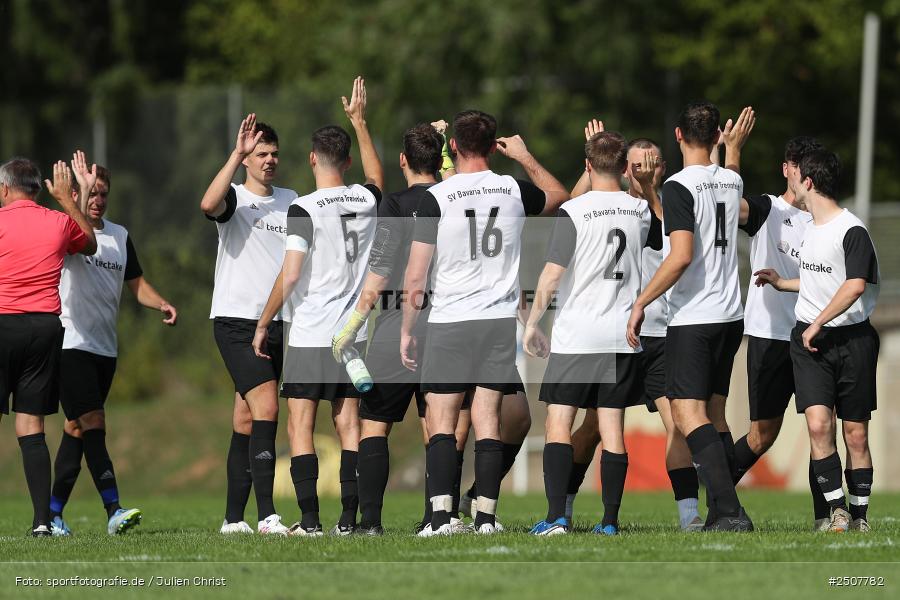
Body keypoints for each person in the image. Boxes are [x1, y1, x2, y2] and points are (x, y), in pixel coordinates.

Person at [401, 110, 569, 536]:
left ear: (452, 147)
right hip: (497, 321)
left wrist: (406, 329)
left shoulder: (436, 197)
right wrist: (525, 157)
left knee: (442, 418)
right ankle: (486, 518)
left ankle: (440, 518)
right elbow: (559, 195)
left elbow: (417, 275)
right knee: (488, 418)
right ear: (494, 146)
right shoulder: (513, 188)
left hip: (452, 319)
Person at [254, 76, 383, 536]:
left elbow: (290, 275)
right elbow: (376, 178)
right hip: (353, 331)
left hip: (310, 332)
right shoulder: (366, 199)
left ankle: (309, 520)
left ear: (312, 159)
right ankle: (349, 519)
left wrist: (264, 321)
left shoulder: (304, 208)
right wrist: (361, 123)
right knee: (349, 423)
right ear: (345, 160)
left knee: (300, 426)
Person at [563, 121, 704, 531]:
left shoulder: (665, 203)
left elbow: (666, 238)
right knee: (592, 428)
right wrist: (591, 154)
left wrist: (652, 190)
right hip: (615, 333)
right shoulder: (616, 205)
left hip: (658, 334)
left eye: (654, 164)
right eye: (638, 165)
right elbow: (570, 207)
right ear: (624, 168)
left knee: (677, 422)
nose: (646, 171)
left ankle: (689, 516)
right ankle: (565, 507)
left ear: (663, 166)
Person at [524, 131, 662, 536]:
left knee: (558, 424)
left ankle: (557, 518)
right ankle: (609, 522)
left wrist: (532, 324)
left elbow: (551, 277)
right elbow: (660, 236)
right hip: (622, 336)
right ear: (624, 169)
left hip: (578, 335)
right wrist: (649, 188)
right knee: (612, 430)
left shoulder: (574, 211)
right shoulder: (639, 211)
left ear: (587, 166)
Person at [626, 101, 753, 532]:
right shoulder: (732, 182)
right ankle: (722, 510)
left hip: (694, 317)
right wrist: (734, 149)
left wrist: (641, 301)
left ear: (677, 136)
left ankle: (730, 510)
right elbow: (729, 176)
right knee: (714, 416)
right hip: (731, 316)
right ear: (717, 136)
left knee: (685, 413)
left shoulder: (679, 187)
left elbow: (680, 256)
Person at [49, 151, 177, 536]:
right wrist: (73, 200)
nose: (98, 198)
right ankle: (114, 510)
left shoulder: (119, 236)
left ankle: (51, 515)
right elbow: (73, 238)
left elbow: (137, 286)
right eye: (91, 191)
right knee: (93, 423)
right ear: (77, 192)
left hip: (106, 351)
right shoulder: (67, 231)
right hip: (71, 345)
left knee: (76, 430)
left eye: (103, 192)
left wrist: (162, 302)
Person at [754, 149, 879, 533]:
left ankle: (860, 516)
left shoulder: (851, 229)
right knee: (819, 426)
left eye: (795, 176)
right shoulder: (808, 228)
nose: (789, 179)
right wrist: (782, 283)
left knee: (854, 433)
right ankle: (837, 511)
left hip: (852, 341)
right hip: (809, 343)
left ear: (808, 182)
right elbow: (818, 281)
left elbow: (854, 286)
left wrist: (817, 323)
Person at [723, 123, 834, 529]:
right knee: (763, 434)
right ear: (787, 168)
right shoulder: (769, 209)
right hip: (770, 338)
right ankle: (719, 492)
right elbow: (728, 208)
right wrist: (732, 152)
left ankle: (826, 517)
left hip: (813, 336)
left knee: (822, 426)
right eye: (799, 166)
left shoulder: (827, 220)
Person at [200, 114, 296, 535]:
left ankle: (233, 520)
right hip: (237, 321)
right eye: (261, 154)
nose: (269, 160)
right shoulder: (236, 198)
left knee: (244, 419)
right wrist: (235, 152)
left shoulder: (292, 199)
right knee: (268, 408)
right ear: (247, 160)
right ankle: (268, 515)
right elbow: (207, 205)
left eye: (274, 153)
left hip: (275, 323)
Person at [0, 158, 96, 536]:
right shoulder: (57, 221)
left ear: (5, 189)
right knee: (31, 426)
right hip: (44, 328)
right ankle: (42, 522)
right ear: (39, 190)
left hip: (2, 322)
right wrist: (69, 201)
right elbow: (88, 242)